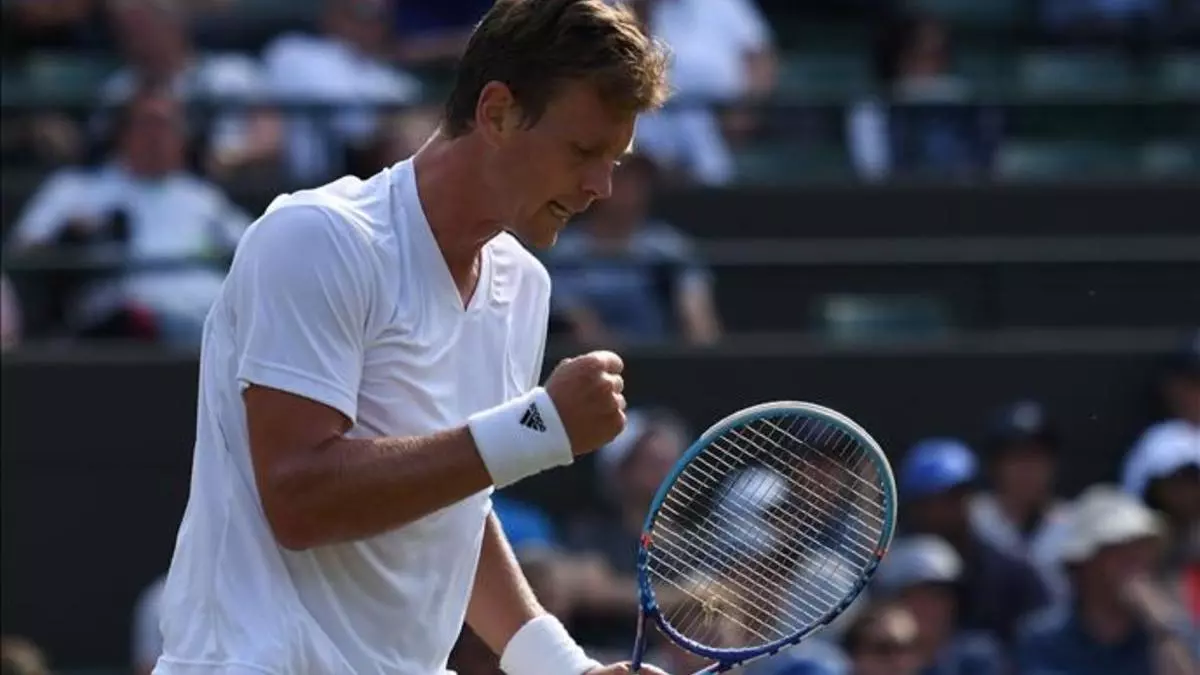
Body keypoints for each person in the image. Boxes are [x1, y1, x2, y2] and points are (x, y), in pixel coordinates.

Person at [152, 1, 670, 674]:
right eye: (582, 151)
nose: (601, 186)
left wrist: (564, 667)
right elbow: (299, 500)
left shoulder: (524, 288)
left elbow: (450, 507)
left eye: (615, 161)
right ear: (497, 113)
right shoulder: (318, 238)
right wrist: (538, 428)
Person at [1016, 485, 1198, 675]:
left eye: (1143, 550)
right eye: (1121, 551)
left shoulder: (1173, 632)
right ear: (1085, 564)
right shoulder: (1045, 638)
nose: (1136, 564)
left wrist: (1164, 631)